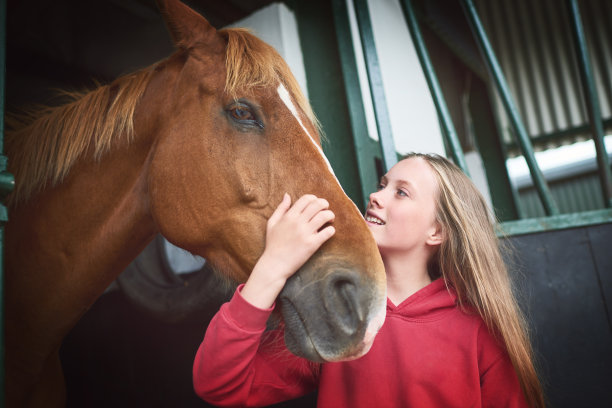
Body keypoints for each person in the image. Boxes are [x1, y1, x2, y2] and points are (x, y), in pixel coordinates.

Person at [192, 153, 545, 408]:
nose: (376, 196)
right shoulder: (335, 316)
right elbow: (218, 385)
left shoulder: (479, 333)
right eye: (383, 185)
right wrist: (272, 266)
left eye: (401, 192)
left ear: (437, 231)